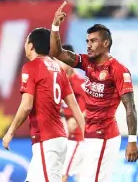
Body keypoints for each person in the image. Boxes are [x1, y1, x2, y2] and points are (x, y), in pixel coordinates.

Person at [50, 2, 138, 182]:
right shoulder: (85, 62)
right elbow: (57, 52)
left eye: (93, 41)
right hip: (89, 136)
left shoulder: (118, 70)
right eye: (87, 41)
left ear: (106, 43)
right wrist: (55, 26)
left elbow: (130, 107)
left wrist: (133, 140)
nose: (89, 45)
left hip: (105, 136)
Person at [2, 28, 85, 182]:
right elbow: (73, 105)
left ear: (31, 46)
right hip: (59, 138)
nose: (25, 44)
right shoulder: (59, 70)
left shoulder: (31, 67)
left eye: (27, 41)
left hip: (46, 140)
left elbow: (26, 106)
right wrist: (87, 131)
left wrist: (11, 131)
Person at [57, 44, 86, 182]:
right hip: (63, 134)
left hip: (77, 138)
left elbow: (91, 107)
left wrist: (77, 120)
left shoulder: (80, 82)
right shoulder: (56, 81)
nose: (59, 63)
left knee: (62, 174)